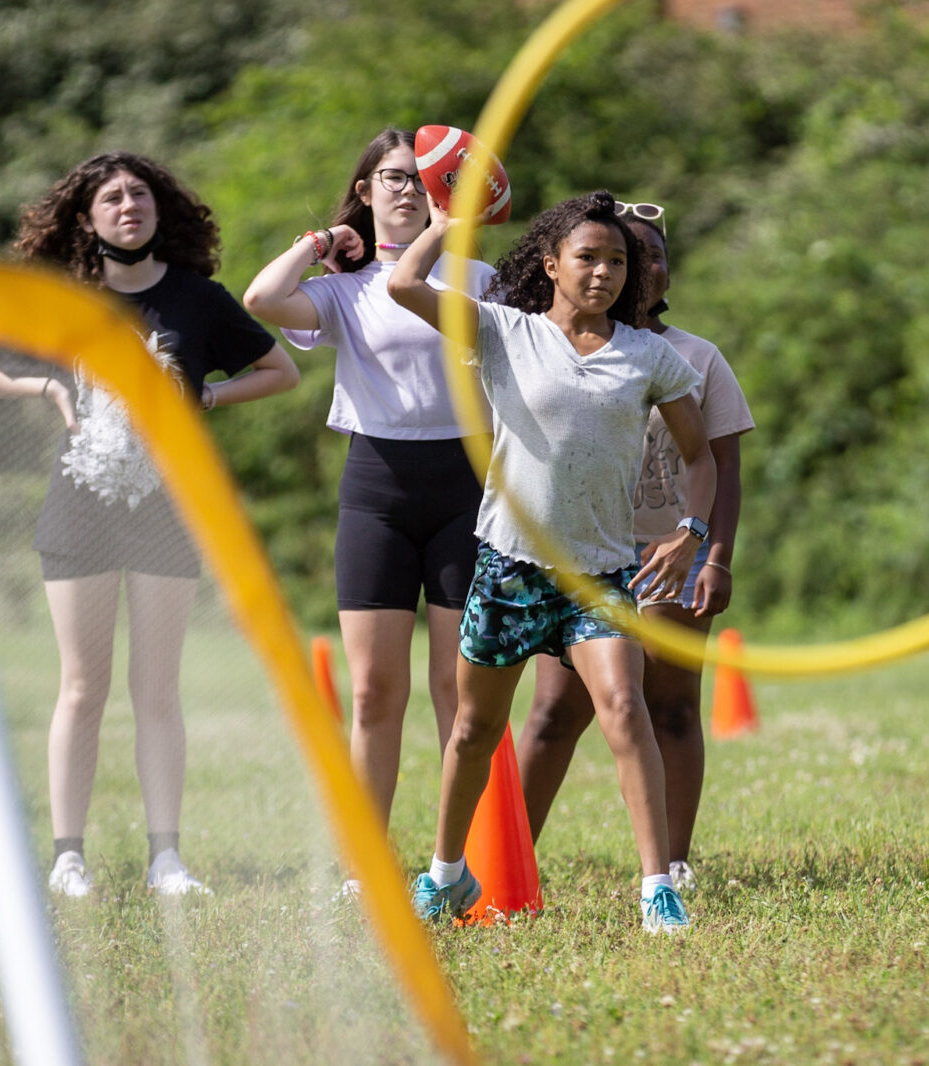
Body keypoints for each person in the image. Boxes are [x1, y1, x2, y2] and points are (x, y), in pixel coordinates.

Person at [0, 153, 299, 896]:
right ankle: (66, 858)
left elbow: (281, 372)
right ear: (88, 217)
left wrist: (203, 401)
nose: (128, 204)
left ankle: (165, 858)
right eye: (112, 196)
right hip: (78, 508)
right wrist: (40, 383)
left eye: (140, 193)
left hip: (168, 510)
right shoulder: (60, 299)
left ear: (158, 209)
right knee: (83, 686)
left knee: (157, 688)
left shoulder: (199, 300)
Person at [388, 190, 716, 933]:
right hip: (509, 567)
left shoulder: (648, 354)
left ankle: (657, 888)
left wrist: (692, 530)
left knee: (625, 710)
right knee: (475, 732)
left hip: (597, 576)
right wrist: (443, 225)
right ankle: (445, 874)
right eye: (589, 258)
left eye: (619, 262)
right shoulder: (504, 330)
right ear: (552, 264)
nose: (605, 273)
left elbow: (700, 457)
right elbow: (404, 286)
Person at [241, 128, 497, 879]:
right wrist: (323, 241)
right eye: (392, 177)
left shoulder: (476, 276)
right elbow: (261, 299)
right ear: (365, 190)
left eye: (423, 178)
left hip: (466, 485)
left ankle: (461, 864)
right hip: (376, 489)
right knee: (375, 692)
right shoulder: (344, 288)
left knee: (459, 690)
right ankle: (365, 869)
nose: (408, 189)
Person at [515, 201, 753, 892]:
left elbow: (724, 467)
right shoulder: (555, 346)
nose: (636, 266)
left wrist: (714, 554)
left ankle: (670, 866)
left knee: (671, 704)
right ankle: (511, 862)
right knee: (557, 710)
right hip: (583, 555)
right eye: (620, 252)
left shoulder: (697, 358)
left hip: (672, 555)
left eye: (650, 254)